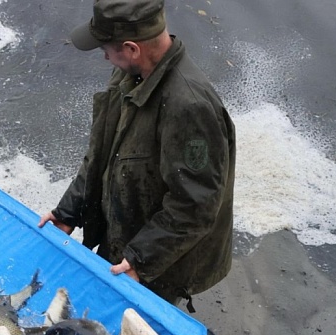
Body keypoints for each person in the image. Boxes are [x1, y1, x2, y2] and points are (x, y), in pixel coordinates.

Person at [38, 0, 236, 309]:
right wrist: (68, 212)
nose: (104, 56)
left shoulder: (191, 107)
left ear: (132, 48)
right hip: (124, 229)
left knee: (132, 331)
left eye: (106, 48)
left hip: (160, 259)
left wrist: (140, 260)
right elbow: (99, 153)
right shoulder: (129, 73)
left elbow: (195, 206)